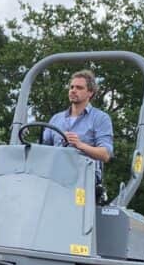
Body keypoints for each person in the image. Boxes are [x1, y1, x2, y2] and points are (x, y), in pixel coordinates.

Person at [41, 69, 114, 200]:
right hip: (54, 179)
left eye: (79, 88)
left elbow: (105, 154)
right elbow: (43, 150)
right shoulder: (56, 119)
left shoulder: (100, 118)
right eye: (72, 87)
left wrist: (80, 145)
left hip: (83, 180)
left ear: (90, 93)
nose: (73, 90)